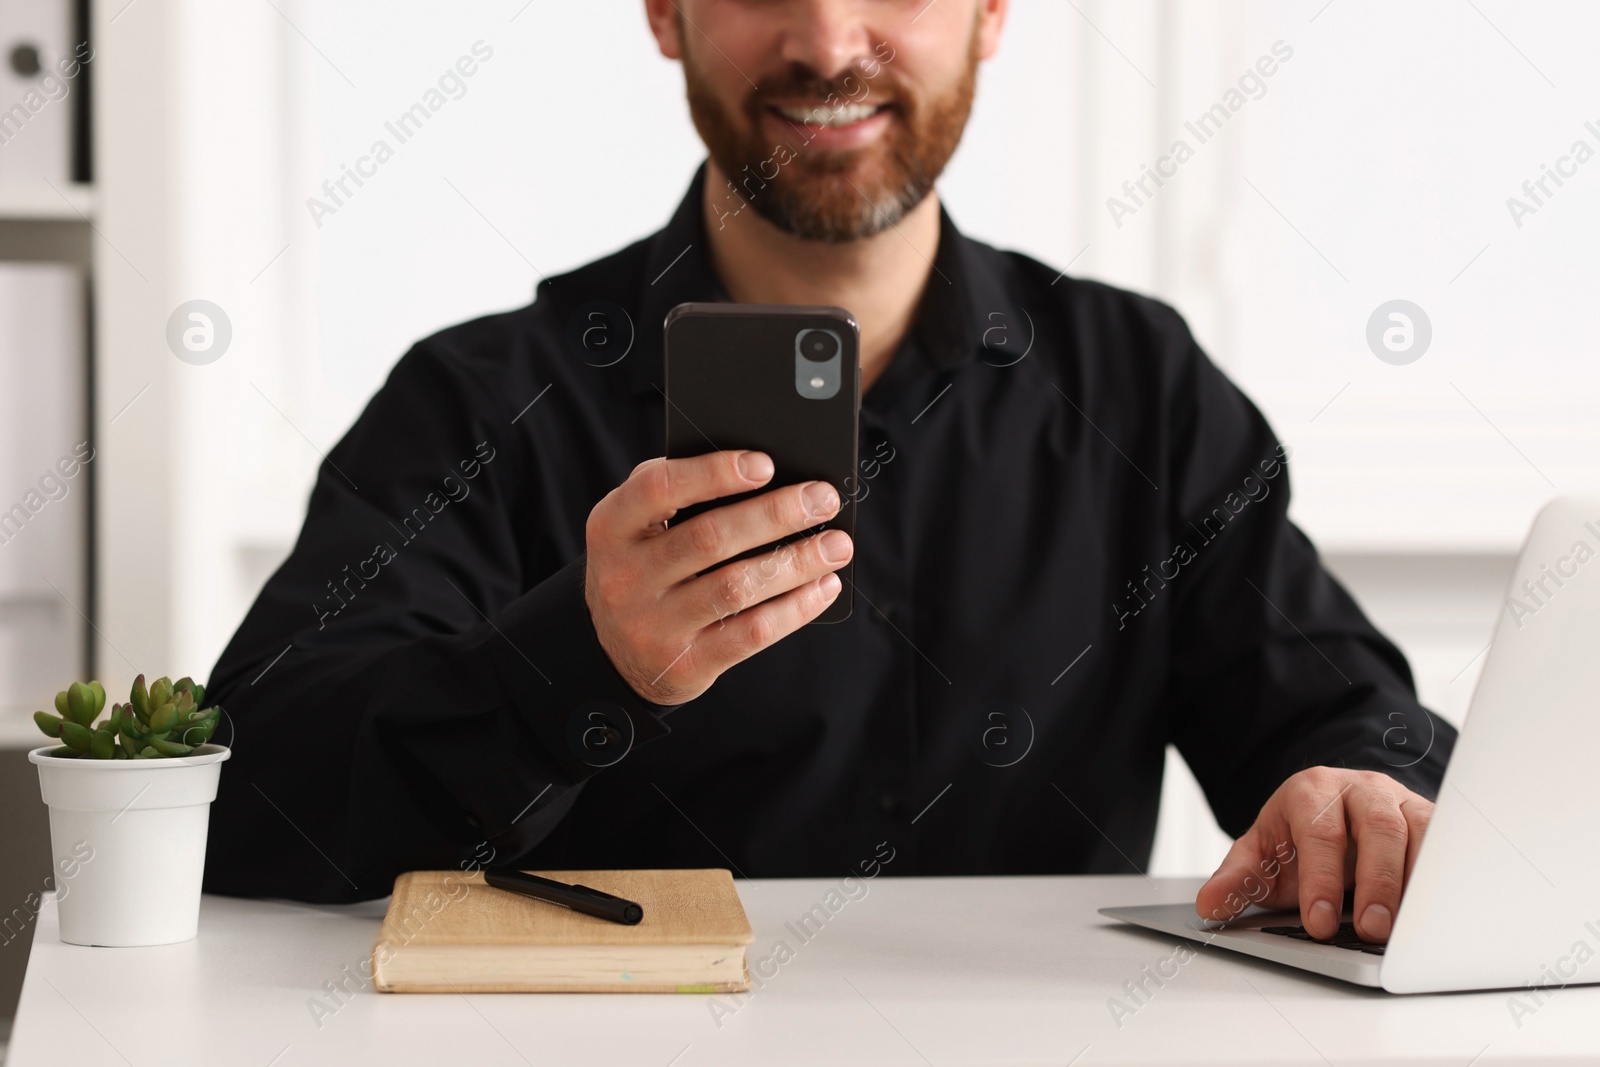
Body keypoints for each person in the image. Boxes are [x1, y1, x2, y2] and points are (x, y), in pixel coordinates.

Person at [202, 0, 1453, 947]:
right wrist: (574, 656)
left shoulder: (1137, 384)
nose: (824, 38)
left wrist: (1361, 791)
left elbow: (1342, 724)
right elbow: (250, 792)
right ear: (663, 10)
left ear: (991, 11)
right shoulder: (482, 398)